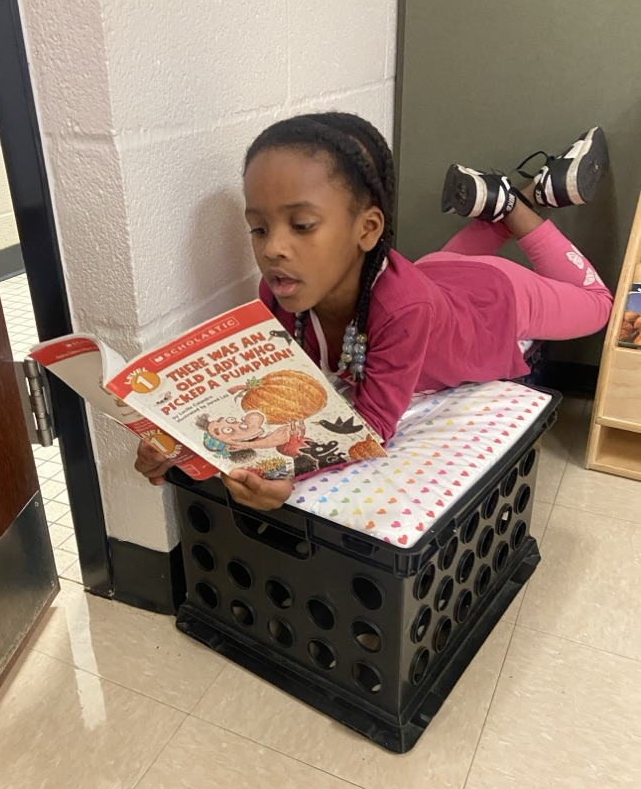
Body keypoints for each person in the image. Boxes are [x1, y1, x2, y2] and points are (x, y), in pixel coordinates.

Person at [135, 113, 613, 511]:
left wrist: (286, 474)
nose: (274, 248)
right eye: (258, 230)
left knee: (600, 308)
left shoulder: (403, 310)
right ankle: (513, 196)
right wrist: (178, 444)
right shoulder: (279, 291)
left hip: (497, 300)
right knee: (432, 281)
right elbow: (259, 388)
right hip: (432, 274)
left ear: (367, 230)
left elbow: (372, 425)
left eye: (301, 225)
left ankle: (515, 205)